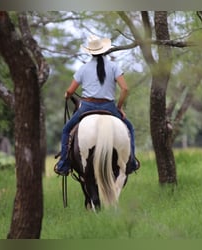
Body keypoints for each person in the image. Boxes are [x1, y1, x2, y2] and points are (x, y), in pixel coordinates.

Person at [54, 35, 140, 176]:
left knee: (66, 130)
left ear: (90, 52)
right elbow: (125, 89)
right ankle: (131, 162)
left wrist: (67, 95)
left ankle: (63, 164)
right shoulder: (114, 67)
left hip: (87, 106)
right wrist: (119, 107)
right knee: (129, 128)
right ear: (104, 50)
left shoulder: (83, 68)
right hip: (109, 107)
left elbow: (70, 91)